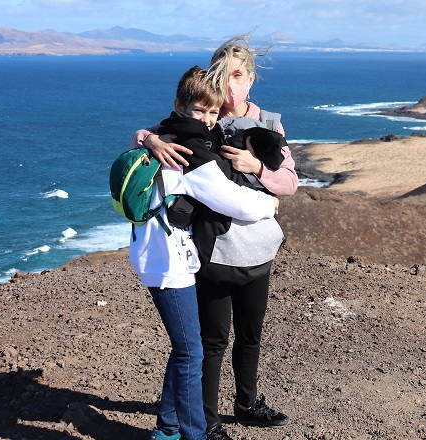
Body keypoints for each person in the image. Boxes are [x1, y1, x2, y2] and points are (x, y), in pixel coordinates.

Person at [131, 36, 297, 439]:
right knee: (211, 340)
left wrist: (257, 166)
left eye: (238, 75)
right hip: (214, 251)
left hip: (258, 248)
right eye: (223, 75)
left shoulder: (270, 122)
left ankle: (246, 403)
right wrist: (150, 139)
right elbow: (151, 133)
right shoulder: (204, 118)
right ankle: (206, 419)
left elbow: (289, 183)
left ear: (251, 79)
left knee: (251, 334)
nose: (230, 84)